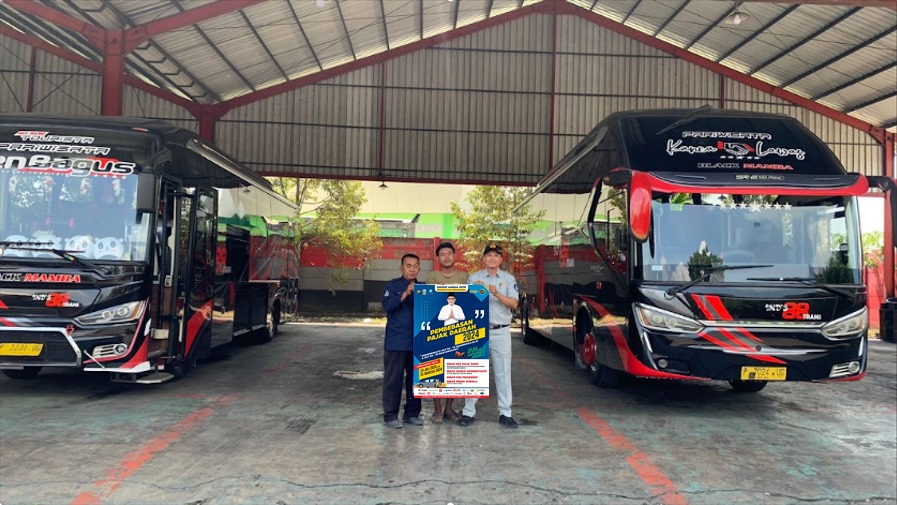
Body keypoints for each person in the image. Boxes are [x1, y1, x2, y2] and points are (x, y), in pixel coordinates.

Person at [460, 242, 519, 429]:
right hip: (478, 331)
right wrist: (476, 293)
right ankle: (468, 412)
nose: (492, 259)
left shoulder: (508, 279)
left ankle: (505, 413)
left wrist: (496, 293)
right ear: (484, 258)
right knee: (474, 371)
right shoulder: (474, 278)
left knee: (503, 372)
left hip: (500, 331)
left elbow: (514, 304)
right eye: (489, 255)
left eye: (496, 255)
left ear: (501, 259)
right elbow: (465, 303)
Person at [426, 241, 467, 423]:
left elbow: (470, 302)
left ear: (454, 255)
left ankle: (449, 408)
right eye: (442, 254)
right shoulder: (432, 277)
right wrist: (438, 292)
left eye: (449, 253)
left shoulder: (465, 276)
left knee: (455, 369)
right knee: (436, 369)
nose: (447, 257)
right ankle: (437, 409)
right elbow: (428, 303)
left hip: (459, 332)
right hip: (437, 332)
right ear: (438, 258)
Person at [381, 253, 424, 429]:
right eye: (408, 265)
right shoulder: (393, 285)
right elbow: (387, 306)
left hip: (418, 343)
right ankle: (390, 415)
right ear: (402, 268)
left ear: (419, 269)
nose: (412, 269)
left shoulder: (424, 288)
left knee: (415, 381)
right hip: (397, 342)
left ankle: (411, 414)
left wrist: (442, 291)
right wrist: (405, 293)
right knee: (393, 380)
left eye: (415, 266)